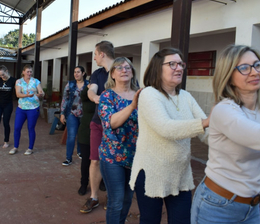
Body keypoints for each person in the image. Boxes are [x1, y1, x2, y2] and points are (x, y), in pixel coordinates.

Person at [191, 45, 260, 224]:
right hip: (218, 206)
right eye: (244, 68)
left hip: (252, 207)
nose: (254, 72)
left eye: (257, 65)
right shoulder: (224, 110)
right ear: (228, 76)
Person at [129, 47, 210, 224]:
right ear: (158, 68)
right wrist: (205, 123)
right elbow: (166, 128)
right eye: (172, 64)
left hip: (180, 175)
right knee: (150, 221)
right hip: (151, 173)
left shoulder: (186, 96)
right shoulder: (149, 94)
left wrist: (232, 139)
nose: (179, 68)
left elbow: (207, 133)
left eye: (181, 64)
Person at [98, 57, 141, 223]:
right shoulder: (107, 96)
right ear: (113, 74)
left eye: (127, 67)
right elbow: (111, 122)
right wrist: (132, 106)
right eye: (119, 67)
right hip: (112, 156)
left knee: (127, 200)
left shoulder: (140, 94)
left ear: (132, 73)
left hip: (135, 157)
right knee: (116, 201)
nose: (124, 70)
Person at [80, 41, 114, 213]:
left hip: (116, 125)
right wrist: (95, 97)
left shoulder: (121, 69)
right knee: (95, 160)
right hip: (97, 122)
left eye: (95, 54)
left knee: (114, 161)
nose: (93, 57)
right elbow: (91, 90)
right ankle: (93, 197)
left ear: (102, 54)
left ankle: (111, 195)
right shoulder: (97, 74)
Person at [9, 65, 44, 155]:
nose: (29, 73)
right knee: (17, 127)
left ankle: (30, 148)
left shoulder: (35, 81)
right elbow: (18, 94)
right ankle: (15, 147)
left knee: (31, 128)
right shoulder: (19, 81)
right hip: (22, 108)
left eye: (30, 71)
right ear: (23, 72)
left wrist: (41, 93)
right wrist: (27, 95)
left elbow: (41, 91)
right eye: (28, 71)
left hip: (33, 108)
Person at [60, 66, 89, 166]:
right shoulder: (70, 84)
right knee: (71, 136)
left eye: (78, 72)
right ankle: (68, 158)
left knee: (82, 135)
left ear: (83, 73)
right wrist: (62, 113)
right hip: (72, 113)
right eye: (75, 72)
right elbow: (65, 99)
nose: (76, 74)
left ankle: (80, 152)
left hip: (84, 114)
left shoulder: (89, 85)